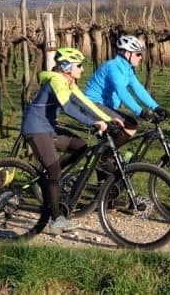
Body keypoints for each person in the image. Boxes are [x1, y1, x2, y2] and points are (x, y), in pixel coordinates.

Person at [20, 47, 118, 234]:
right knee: (54, 170)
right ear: (67, 67)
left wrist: (108, 119)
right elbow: (68, 108)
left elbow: (84, 103)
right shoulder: (57, 80)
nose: (82, 69)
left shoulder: (68, 82)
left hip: (48, 126)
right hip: (36, 128)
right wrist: (94, 123)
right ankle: (56, 219)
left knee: (81, 147)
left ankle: (53, 176)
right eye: (79, 65)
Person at [84, 34, 170, 134]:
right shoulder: (114, 67)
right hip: (93, 105)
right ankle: (107, 149)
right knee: (130, 124)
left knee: (122, 131)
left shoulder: (127, 68)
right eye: (138, 54)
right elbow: (122, 92)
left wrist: (156, 107)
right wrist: (141, 112)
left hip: (106, 106)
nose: (141, 57)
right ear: (127, 54)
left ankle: (108, 149)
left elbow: (138, 89)